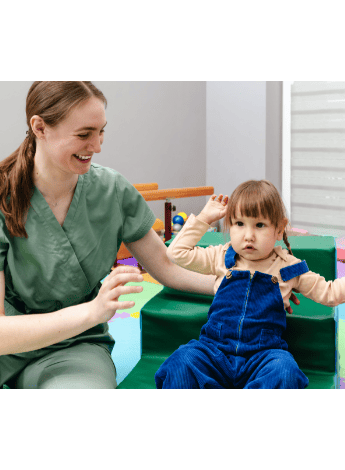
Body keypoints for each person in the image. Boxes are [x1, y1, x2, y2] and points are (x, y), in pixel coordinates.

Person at [0, 82, 300, 389]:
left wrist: (239, 285)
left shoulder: (112, 191)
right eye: (84, 134)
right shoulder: (3, 196)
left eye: (101, 131)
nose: (98, 145)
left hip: (71, 349)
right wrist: (93, 310)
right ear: (39, 127)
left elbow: (166, 266)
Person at [155, 181, 345, 389]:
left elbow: (331, 293)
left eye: (260, 225)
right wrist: (204, 218)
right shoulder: (221, 256)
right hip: (214, 351)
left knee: (285, 370)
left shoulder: (289, 268)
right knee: (184, 359)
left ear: (279, 229)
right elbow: (176, 253)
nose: (248, 236)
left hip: (263, 356)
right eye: (239, 224)